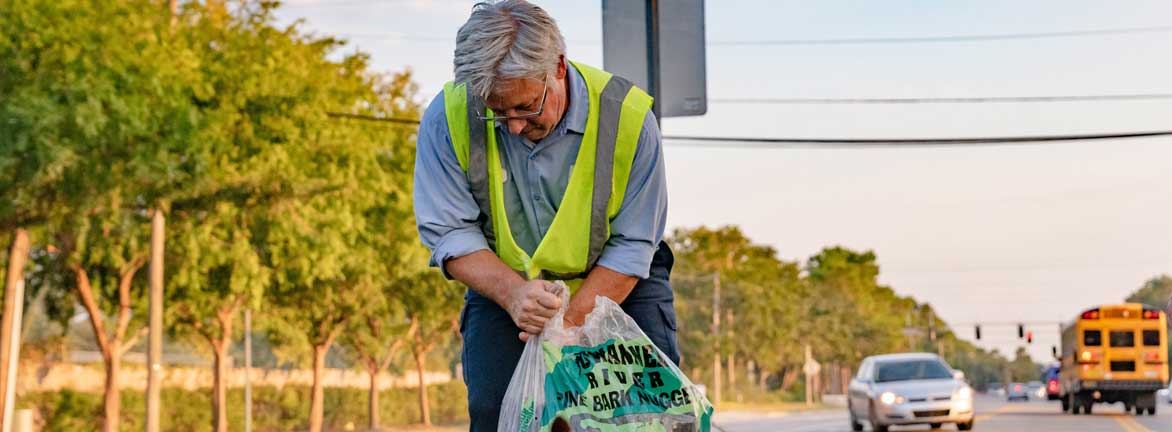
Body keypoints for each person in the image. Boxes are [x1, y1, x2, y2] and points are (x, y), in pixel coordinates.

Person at [412, 0, 678, 429]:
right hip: (507, 291)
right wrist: (516, 295)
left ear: (557, 67)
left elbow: (634, 242)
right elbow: (449, 231)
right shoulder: (448, 118)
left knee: (644, 415)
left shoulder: (628, 119)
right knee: (499, 412)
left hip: (618, 282)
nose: (513, 126)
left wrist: (567, 325)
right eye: (497, 112)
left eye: (525, 107)